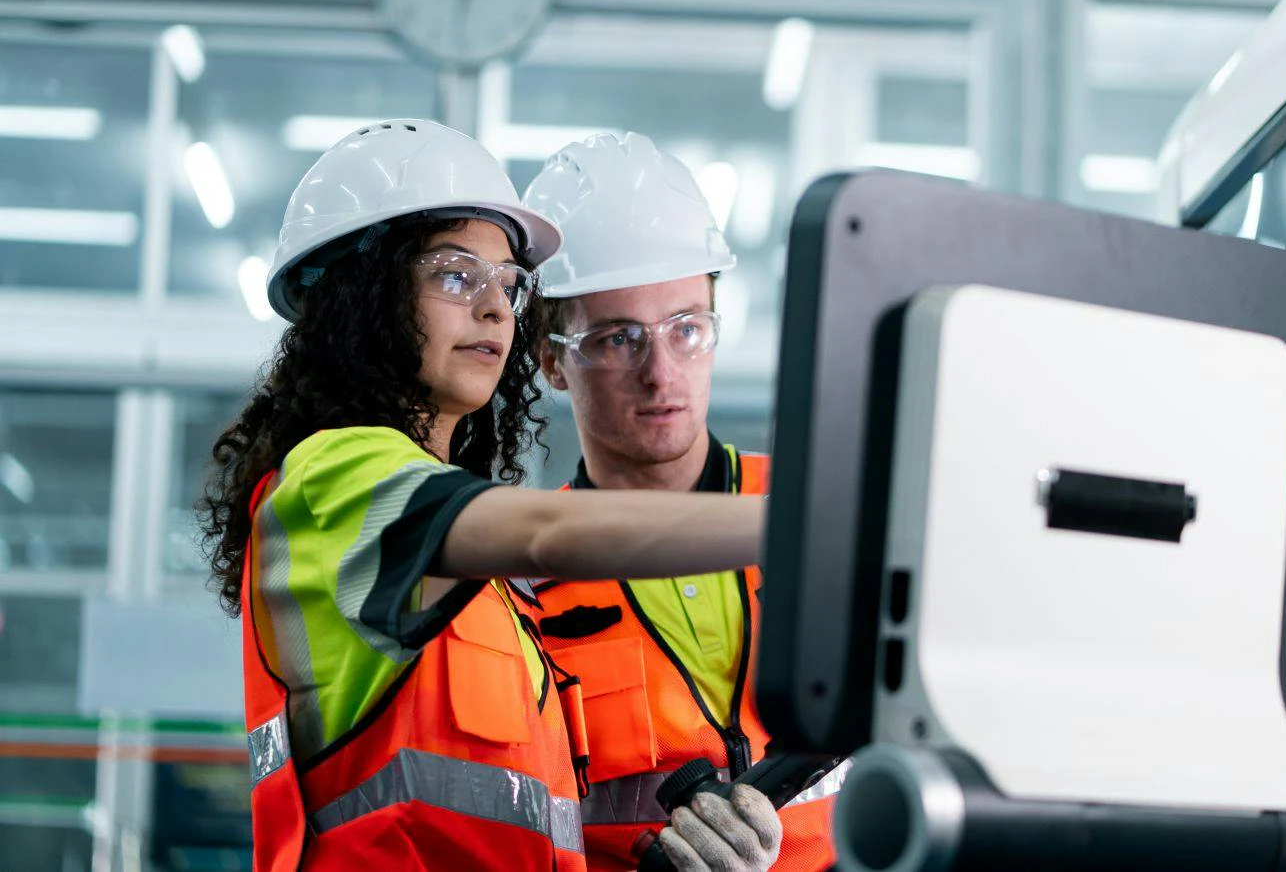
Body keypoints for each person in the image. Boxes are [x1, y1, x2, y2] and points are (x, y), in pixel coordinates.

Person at [198, 120, 782, 872]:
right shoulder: (330, 480)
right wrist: (812, 525)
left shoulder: (495, 597)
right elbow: (544, 530)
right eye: (453, 274)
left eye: (507, 282)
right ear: (360, 294)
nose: (495, 308)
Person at [519, 133, 842, 872]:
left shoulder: (817, 512)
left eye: (686, 329)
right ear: (550, 360)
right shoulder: (522, 587)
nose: (661, 373)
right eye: (617, 338)